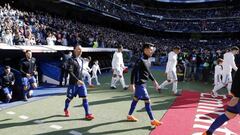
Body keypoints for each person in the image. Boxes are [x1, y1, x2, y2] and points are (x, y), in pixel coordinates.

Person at [127, 43, 162, 127]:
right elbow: (133, 72)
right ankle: (152, 120)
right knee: (147, 100)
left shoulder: (148, 59)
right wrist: (132, 84)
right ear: (145, 50)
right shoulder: (140, 60)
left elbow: (148, 72)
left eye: (152, 49)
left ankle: (129, 115)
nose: (152, 51)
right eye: (150, 49)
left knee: (135, 99)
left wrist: (154, 81)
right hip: (140, 84)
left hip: (143, 83)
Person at [202, 68, 240, 135]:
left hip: (235, 99)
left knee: (227, 115)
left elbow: (235, 83)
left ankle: (208, 132)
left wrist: (235, 95)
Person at [63, 45, 94, 120]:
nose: (80, 51)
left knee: (85, 97)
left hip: (81, 83)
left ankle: (87, 114)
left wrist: (82, 79)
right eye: (78, 49)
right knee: (69, 98)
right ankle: (66, 109)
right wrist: (77, 80)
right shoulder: (71, 60)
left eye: (81, 49)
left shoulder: (82, 60)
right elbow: (70, 72)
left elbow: (80, 71)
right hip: (73, 83)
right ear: (75, 50)